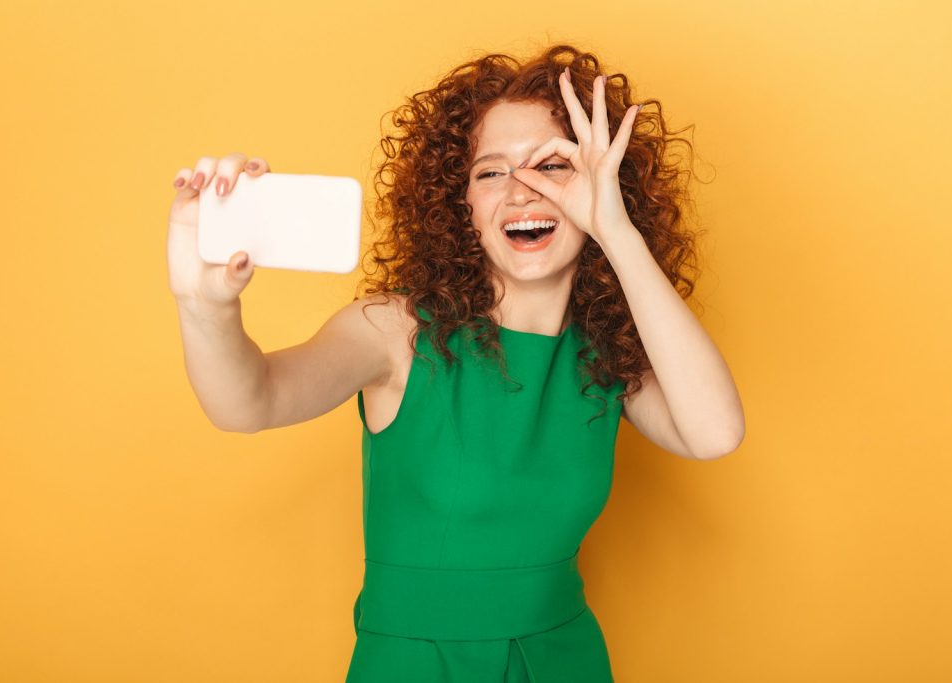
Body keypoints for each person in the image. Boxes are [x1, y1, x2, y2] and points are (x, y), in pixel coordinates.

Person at [168, 44, 744, 683]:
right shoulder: (394, 331)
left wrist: (617, 233)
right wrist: (202, 305)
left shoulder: (607, 355)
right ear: (459, 206)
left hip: (564, 662)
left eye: (552, 166)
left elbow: (714, 433)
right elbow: (249, 402)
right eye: (490, 172)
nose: (521, 190)